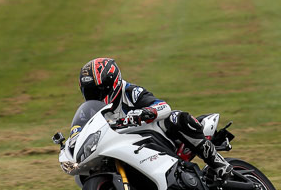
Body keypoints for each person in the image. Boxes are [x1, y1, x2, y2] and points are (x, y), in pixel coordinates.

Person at [79, 57, 232, 180]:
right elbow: (83, 129)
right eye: (90, 92)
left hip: (156, 137)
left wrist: (144, 113)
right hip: (125, 148)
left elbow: (163, 106)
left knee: (177, 117)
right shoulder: (92, 110)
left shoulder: (130, 92)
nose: (95, 96)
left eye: (98, 90)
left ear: (113, 84)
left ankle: (219, 163)